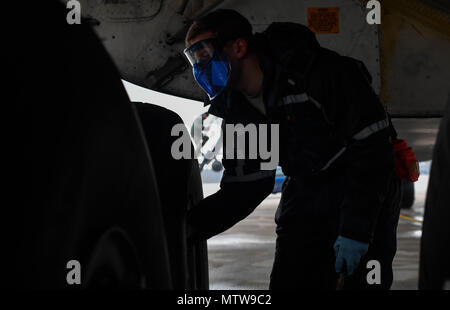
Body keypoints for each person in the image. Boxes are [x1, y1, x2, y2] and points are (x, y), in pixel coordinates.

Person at [184, 9, 401, 289]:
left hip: (364, 185)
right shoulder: (237, 109)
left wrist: (356, 231)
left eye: (204, 54)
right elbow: (246, 187)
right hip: (305, 188)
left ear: (238, 47)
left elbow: (372, 147)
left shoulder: (317, 73)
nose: (200, 69)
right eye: (194, 60)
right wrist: (185, 229)